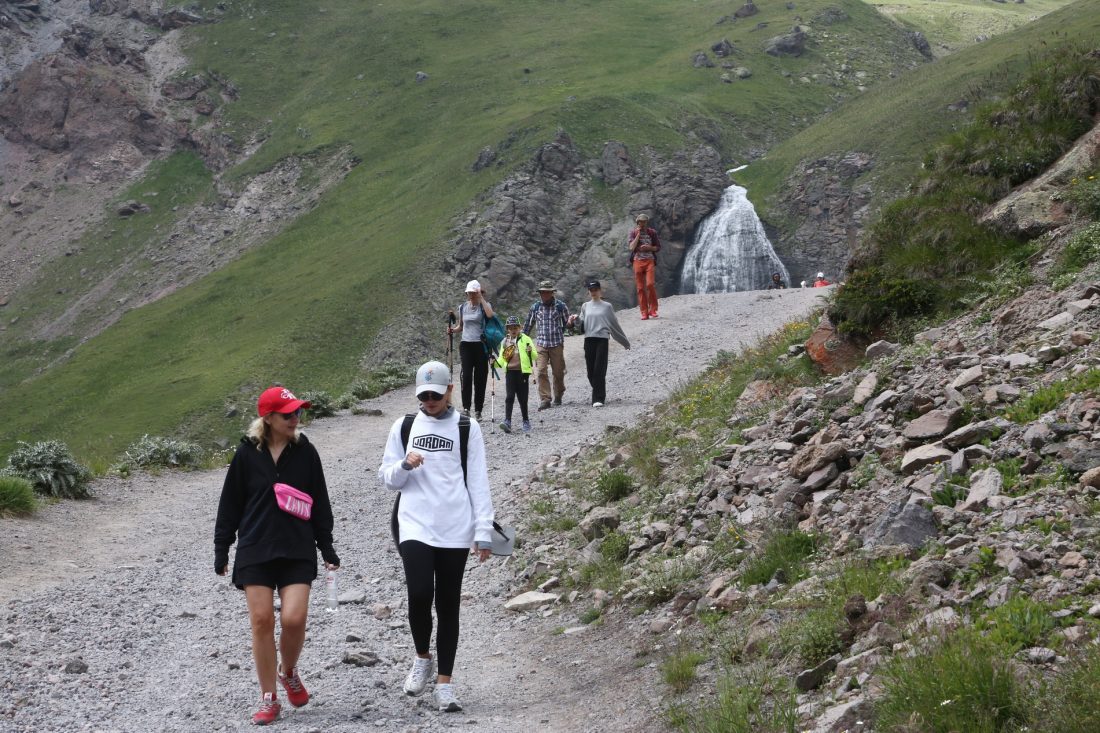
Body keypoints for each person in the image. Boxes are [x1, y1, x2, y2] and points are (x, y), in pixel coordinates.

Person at [214, 386, 340, 726]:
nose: (296, 418)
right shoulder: (245, 455)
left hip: (297, 547)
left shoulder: (306, 452)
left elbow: (321, 503)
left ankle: (289, 672)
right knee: (261, 621)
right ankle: (269, 697)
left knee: (294, 619)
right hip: (255, 548)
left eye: (298, 412)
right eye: (288, 414)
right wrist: (222, 547)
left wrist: (326, 546)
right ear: (268, 418)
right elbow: (229, 505)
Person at [379, 361, 495, 713]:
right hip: (414, 523)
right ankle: (421, 657)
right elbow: (387, 477)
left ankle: (445, 683)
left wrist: (484, 530)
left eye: (434, 394)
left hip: (455, 528)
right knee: (418, 593)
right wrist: (404, 465)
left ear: (449, 391)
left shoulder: (466, 427)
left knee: (447, 604)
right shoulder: (405, 426)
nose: (428, 401)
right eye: (423, 395)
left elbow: (477, 480)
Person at [568, 279, 630, 407]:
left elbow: (614, 325)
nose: (593, 292)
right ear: (588, 292)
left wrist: (624, 342)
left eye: (596, 289)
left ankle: (598, 398)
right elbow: (582, 327)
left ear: (600, 290)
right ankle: (598, 389)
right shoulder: (585, 306)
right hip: (589, 339)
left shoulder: (607, 306)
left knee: (599, 369)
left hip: (602, 339)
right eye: (591, 290)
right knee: (590, 372)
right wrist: (576, 320)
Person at [448, 279, 494, 420]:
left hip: (481, 345)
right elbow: (461, 326)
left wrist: (481, 298)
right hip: (466, 344)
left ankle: (478, 410)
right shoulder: (463, 307)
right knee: (466, 376)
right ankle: (466, 408)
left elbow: (490, 315)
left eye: (474, 293)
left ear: (479, 292)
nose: (471, 295)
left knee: (480, 378)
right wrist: (452, 330)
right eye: (469, 293)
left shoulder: (484, 306)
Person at [522, 280, 571, 410]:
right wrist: (520, 339)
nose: (544, 295)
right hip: (541, 344)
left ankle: (558, 394)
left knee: (558, 372)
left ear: (551, 293)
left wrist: (572, 323)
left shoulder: (561, 306)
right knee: (541, 371)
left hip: (556, 344)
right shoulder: (535, 307)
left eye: (546, 292)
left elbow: (568, 323)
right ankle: (545, 399)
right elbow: (528, 325)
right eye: (542, 292)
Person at [494, 315, 537, 433]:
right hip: (510, 373)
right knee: (509, 397)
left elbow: (535, 356)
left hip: (523, 373)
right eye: (510, 328)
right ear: (507, 329)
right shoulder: (505, 342)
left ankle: (526, 421)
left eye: (515, 327)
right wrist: (494, 363)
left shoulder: (526, 339)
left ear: (520, 327)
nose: (513, 330)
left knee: (523, 399)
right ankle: (507, 421)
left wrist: (530, 351)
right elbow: (502, 359)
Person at [628, 213, 661, 320]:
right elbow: (631, 247)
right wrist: (638, 235)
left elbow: (658, 247)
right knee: (640, 288)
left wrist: (649, 248)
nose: (642, 224)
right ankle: (644, 312)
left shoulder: (652, 233)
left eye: (644, 221)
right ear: (637, 223)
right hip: (637, 261)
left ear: (647, 222)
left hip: (649, 260)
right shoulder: (633, 232)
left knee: (650, 284)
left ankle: (653, 310)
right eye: (640, 222)